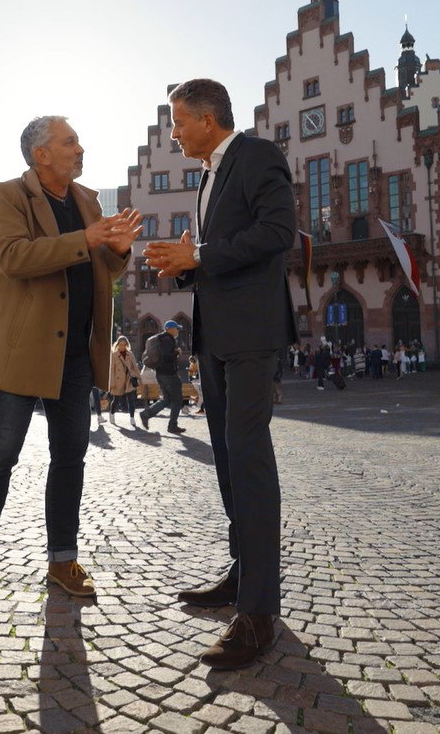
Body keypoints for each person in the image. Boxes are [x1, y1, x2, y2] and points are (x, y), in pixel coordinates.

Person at [0, 115, 138, 606]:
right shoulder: (8, 195)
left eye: (77, 141)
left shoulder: (88, 201)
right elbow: (15, 257)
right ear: (42, 155)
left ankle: (62, 560)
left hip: (76, 351)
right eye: (70, 141)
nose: (81, 148)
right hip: (23, 351)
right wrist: (90, 239)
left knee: (71, 458)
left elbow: (102, 268)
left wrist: (117, 251)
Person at [143, 77, 297, 671]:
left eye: (178, 121)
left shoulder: (257, 154)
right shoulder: (208, 175)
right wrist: (184, 265)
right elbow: (223, 252)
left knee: (250, 456)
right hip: (217, 335)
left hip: (253, 335)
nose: (174, 132)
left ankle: (260, 612)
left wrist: (201, 255)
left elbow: (277, 232)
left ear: (208, 118)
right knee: (230, 460)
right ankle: (242, 574)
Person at [138, 321, 186, 433]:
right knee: (177, 400)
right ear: (170, 329)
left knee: (167, 399)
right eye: (176, 328)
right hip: (169, 374)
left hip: (160, 373)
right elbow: (166, 356)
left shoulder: (161, 339)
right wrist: (177, 352)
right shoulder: (168, 339)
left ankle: (146, 414)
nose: (178, 330)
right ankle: (172, 426)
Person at [105, 336, 139, 423]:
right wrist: (111, 382)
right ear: (117, 345)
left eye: (124, 345)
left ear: (127, 345)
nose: (122, 346)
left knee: (131, 399)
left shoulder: (130, 354)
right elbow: (111, 370)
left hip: (129, 379)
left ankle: (132, 418)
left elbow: (135, 366)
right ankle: (112, 414)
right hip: (118, 380)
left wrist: (139, 378)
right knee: (116, 399)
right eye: (120, 345)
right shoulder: (113, 355)